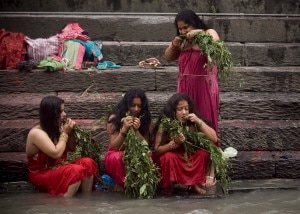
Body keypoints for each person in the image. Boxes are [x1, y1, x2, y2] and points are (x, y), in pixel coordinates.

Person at [164, 9, 220, 147]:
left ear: (195, 24)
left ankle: (208, 155)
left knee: (203, 118)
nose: (183, 31)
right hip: (184, 87)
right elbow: (168, 57)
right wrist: (174, 44)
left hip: (203, 86)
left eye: (186, 27)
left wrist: (199, 33)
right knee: (184, 119)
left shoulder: (209, 33)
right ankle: (188, 150)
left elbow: (216, 46)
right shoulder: (183, 41)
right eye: (180, 28)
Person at [26, 96, 98, 197]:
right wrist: (64, 133)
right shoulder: (36, 133)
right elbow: (56, 153)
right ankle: (65, 204)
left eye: (64, 110)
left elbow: (71, 148)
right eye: (61, 111)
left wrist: (71, 133)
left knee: (88, 163)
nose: (64, 114)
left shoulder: (57, 127)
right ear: (51, 114)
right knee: (75, 171)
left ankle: (86, 201)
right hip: (41, 174)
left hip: (60, 167)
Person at [153, 93, 218, 194]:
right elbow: (156, 151)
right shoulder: (165, 125)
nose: (184, 112)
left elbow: (214, 138)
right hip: (174, 156)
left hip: (189, 157)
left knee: (202, 154)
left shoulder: (193, 123)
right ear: (173, 111)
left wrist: (198, 121)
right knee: (167, 157)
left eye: (186, 109)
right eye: (180, 109)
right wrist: (173, 143)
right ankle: (169, 186)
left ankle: (194, 185)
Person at [104, 88, 152, 190]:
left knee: (149, 155)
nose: (136, 109)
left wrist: (136, 131)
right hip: (116, 154)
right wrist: (124, 130)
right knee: (123, 156)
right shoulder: (114, 117)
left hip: (136, 152)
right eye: (133, 105)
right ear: (127, 105)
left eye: (139, 106)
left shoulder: (144, 118)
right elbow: (115, 146)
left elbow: (145, 145)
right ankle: (122, 184)